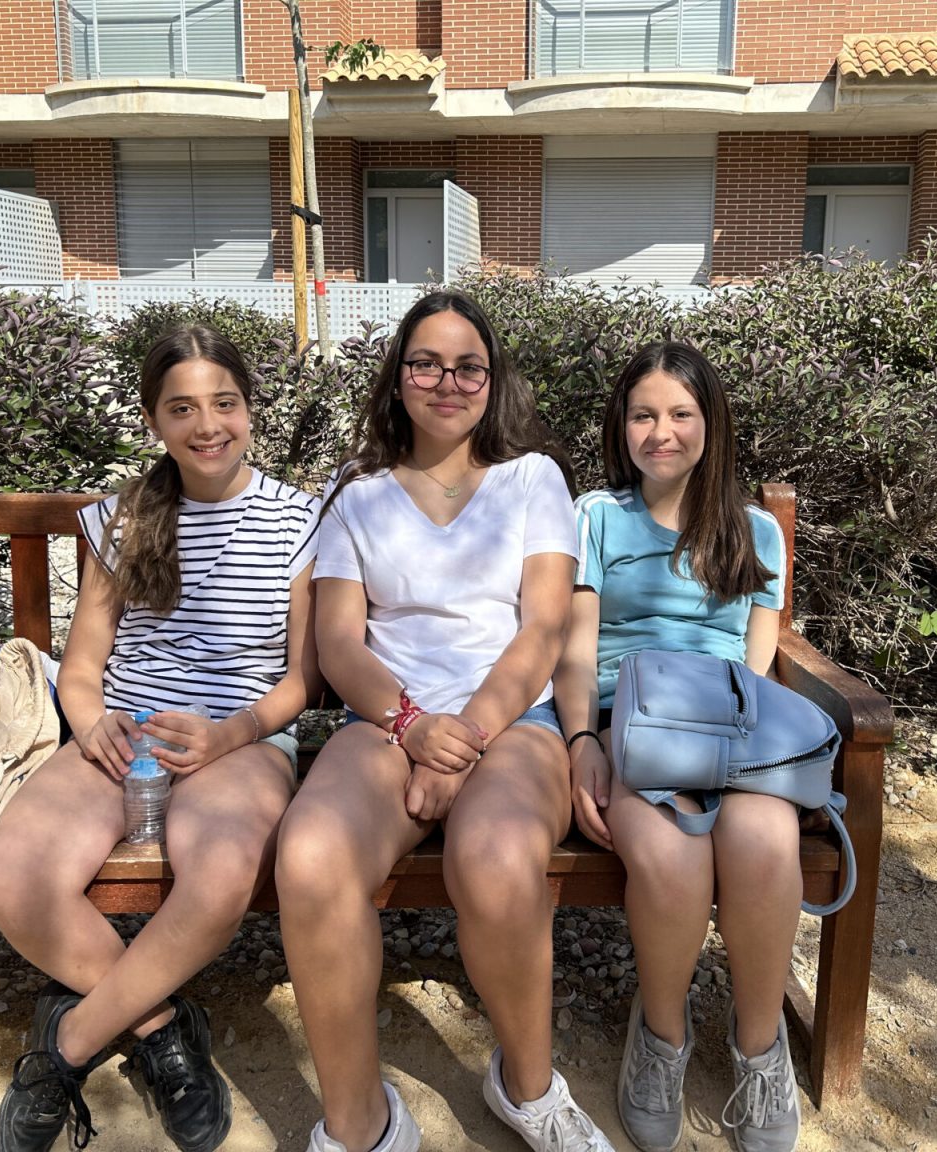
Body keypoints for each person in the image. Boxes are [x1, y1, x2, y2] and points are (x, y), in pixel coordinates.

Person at [275, 290, 615, 1152]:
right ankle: (360, 1124)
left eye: (469, 366)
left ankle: (529, 1090)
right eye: (425, 363)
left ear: (493, 380)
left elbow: (543, 628)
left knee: (496, 858)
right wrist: (414, 726)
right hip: (388, 722)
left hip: (513, 719)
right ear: (398, 377)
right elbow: (339, 642)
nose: (447, 382)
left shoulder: (533, 479)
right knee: (310, 858)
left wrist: (461, 742)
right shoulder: (357, 494)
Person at [0, 325, 322, 1152]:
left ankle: (65, 1045)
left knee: (220, 875)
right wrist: (92, 723)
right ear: (153, 420)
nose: (207, 425)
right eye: (182, 408)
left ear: (249, 408)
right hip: (124, 734)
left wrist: (229, 735)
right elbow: (81, 668)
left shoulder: (300, 519)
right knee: (14, 879)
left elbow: (302, 683)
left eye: (224, 403)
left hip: (239, 742)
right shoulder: (124, 518)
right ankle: (163, 1030)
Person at [553, 341, 800, 1152]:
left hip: (729, 727)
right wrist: (583, 739)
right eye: (643, 415)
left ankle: (761, 1049)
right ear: (620, 425)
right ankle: (661, 1037)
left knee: (765, 843)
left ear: (711, 423)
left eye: (681, 414)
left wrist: (743, 753)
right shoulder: (595, 517)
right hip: (631, 724)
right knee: (669, 856)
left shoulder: (755, 531)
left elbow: (757, 664)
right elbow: (575, 649)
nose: (661, 432)